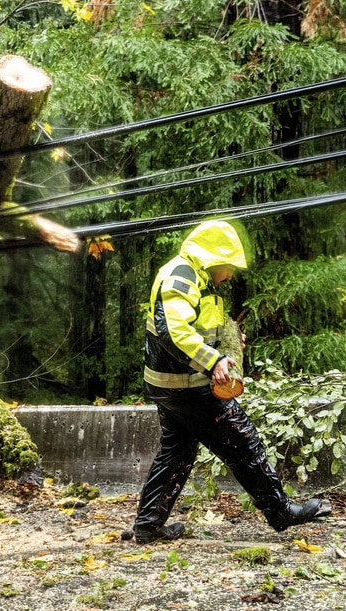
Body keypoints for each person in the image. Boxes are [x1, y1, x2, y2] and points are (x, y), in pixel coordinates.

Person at [129, 220, 331, 544]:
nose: (231, 274)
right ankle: (281, 513)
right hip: (187, 386)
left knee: (177, 452)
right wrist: (215, 361)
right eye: (230, 267)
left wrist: (229, 343)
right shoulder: (181, 275)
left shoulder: (195, 279)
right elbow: (173, 330)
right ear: (214, 258)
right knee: (245, 442)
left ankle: (148, 525)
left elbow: (199, 327)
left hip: (172, 385)